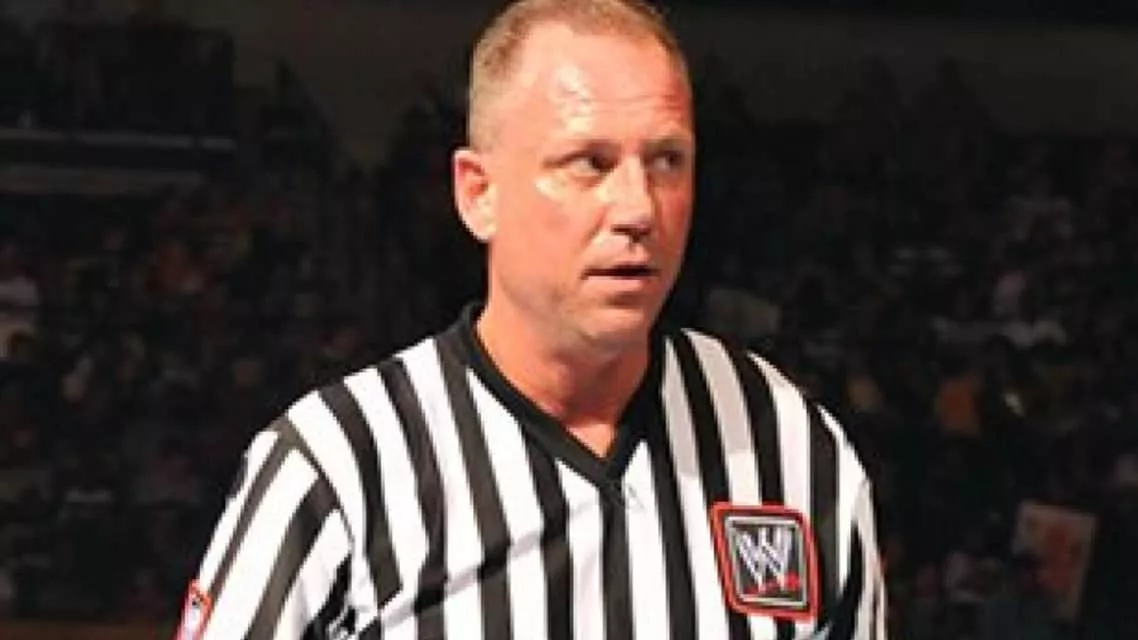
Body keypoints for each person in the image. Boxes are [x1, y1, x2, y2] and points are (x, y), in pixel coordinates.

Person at [178, 1, 887, 638]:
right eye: (590, 163)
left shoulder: (788, 441)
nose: (638, 208)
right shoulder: (337, 465)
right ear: (478, 193)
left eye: (667, 160)